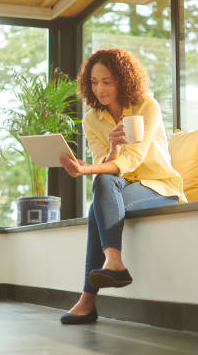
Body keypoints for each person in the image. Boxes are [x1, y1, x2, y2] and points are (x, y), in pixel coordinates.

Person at [58, 48, 186, 324]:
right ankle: (113, 263)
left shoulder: (146, 107)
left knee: (96, 206)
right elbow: (105, 164)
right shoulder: (92, 119)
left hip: (159, 187)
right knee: (103, 181)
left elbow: (135, 158)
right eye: (94, 82)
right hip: (120, 188)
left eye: (107, 81)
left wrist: (85, 170)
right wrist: (114, 147)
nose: (100, 88)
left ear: (123, 80)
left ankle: (88, 298)